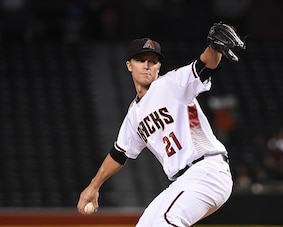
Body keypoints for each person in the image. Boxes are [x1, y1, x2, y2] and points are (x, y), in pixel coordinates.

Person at [77, 22, 245, 226]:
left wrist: (214, 48)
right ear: (129, 65)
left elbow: (205, 66)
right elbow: (119, 154)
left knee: (166, 221)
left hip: (207, 170)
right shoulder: (134, 114)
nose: (147, 65)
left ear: (159, 67)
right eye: (140, 60)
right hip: (184, 182)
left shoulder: (172, 83)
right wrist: (94, 186)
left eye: (153, 61)